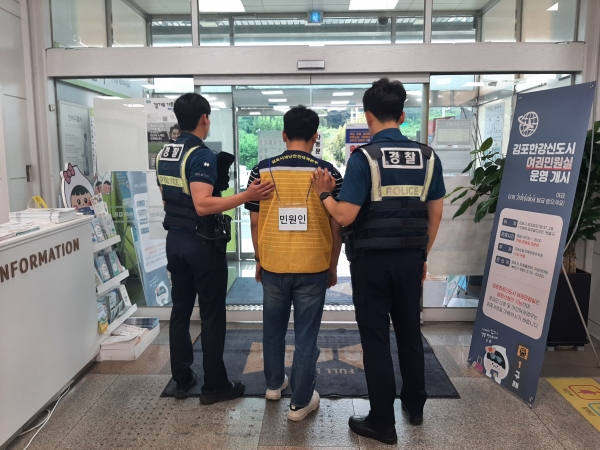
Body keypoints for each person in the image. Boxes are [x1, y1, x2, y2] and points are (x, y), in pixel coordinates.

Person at [311, 78, 445, 445]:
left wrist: (324, 194)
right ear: (402, 116)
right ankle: (415, 406)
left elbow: (345, 215)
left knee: (375, 340)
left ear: (368, 116)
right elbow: (435, 215)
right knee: (410, 334)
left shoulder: (364, 158)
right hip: (410, 260)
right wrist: (421, 255)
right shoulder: (428, 156)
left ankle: (382, 422)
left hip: (371, 264)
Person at [156, 93, 275, 404]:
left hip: (175, 240)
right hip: (201, 243)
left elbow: (167, 196)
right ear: (204, 119)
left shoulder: (166, 153)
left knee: (180, 310)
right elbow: (203, 204)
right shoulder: (201, 155)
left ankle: (182, 379)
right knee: (211, 313)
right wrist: (247, 195)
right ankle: (215, 385)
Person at [245, 106, 343, 421]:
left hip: (273, 263)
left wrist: (259, 258)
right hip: (313, 265)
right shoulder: (328, 174)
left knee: (272, 329)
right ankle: (300, 402)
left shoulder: (261, 171)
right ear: (316, 137)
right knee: (306, 336)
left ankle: (274, 385)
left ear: (284, 135)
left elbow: (254, 222)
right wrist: (332, 264)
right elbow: (337, 225)